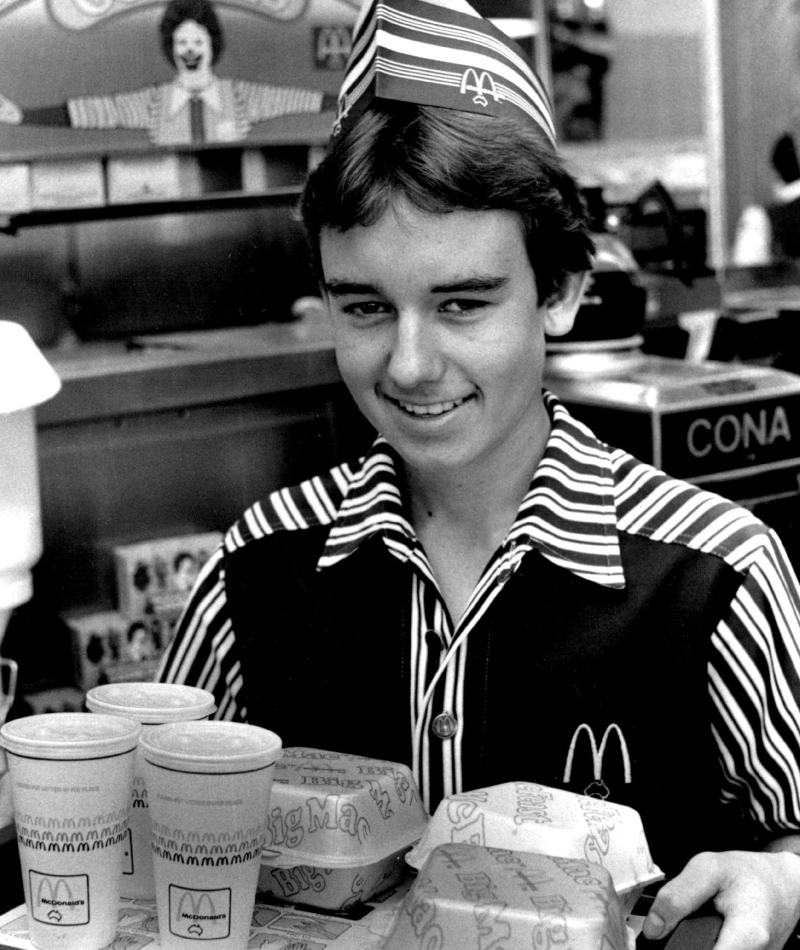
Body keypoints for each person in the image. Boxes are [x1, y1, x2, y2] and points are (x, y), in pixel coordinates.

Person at [159, 0, 800, 944]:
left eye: (462, 303)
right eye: (367, 307)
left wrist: (783, 882)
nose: (411, 365)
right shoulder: (256, 571)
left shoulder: (716, 577)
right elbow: (166, 831)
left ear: (563, 292)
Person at [0, 0, 335, 146]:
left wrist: (350, 98)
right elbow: (95, 111)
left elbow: (297, 99)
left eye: (197, 41)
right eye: (182, 42)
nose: (189, 50)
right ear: (171, 49)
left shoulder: (240, 96)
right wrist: (23, 116)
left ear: (211, 45)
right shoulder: (154, 103)